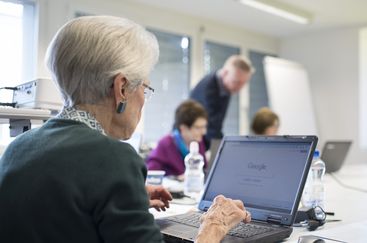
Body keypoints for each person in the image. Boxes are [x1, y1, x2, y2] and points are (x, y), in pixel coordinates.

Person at [0, 16, 251, 243]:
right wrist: (214, 226)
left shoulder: (18, 148)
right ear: (121, 88)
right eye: (145, 88)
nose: (144, 99)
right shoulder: (113, 159)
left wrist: (124, 196)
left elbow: (60, 213)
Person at [190, 55, 254, 147]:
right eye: (237, 82)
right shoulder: (208, 89)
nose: (240, 88)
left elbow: (217, 125)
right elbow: (212, 128)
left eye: (243, 84)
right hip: (190, 143)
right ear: (225, 73)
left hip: (203, 141)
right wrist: (225, 147)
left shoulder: (226, 88)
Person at [147, 99, 208, 177]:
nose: (204, 132)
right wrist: (176, 178)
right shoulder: (166, 144)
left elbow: (204, 170)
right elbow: (151, 174)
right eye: (198, 128)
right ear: (183, 128)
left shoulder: (198, 142)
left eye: (204, 127)